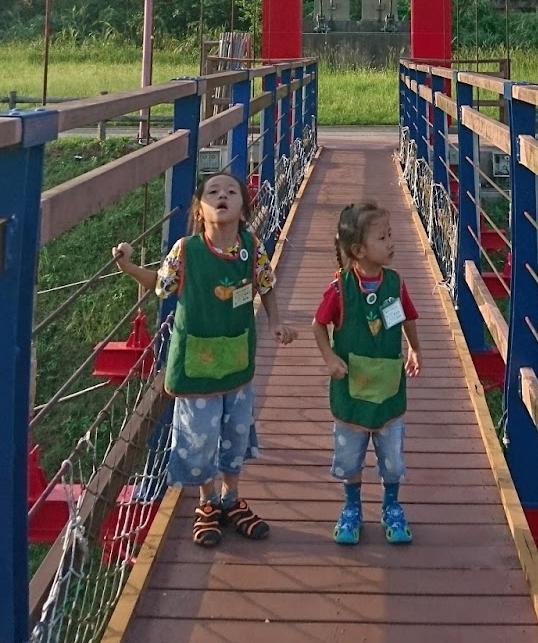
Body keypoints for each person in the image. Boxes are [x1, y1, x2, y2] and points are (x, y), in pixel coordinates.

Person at [113, 170, 296, 548]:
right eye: (213, 192)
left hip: (236, 361)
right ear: (199, 208)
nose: (222, 195)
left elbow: (266, 284)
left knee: (235, 431)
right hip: (196, 365)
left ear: (244, 207)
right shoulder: (186, 250)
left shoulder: (251, 248)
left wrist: (276, 321)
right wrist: (127, 266)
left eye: (231, 191)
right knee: (199, 434)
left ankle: (231, 498)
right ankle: (207, 501)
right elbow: (161, 285)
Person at [312, 200, 421, 546]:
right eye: (382, 237)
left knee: (392, 458)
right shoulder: (341, 288)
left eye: (390, 235)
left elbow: (407, 318)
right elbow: (318, 324)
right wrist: (329, 357)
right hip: (351, 390)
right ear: (359, 250)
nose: (391, 242)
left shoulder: (394, 283)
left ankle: (391, 506)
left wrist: (414, 349)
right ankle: (352, 507)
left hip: (388, 388)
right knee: (350, 456)